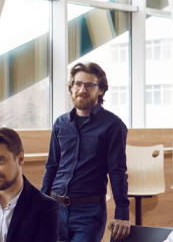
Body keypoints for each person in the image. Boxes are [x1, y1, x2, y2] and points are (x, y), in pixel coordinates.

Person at [41, 62, 132, 241]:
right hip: (55, 209)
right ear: (71, 88)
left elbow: (117, 172)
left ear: (101, 90)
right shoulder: (60, 124)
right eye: (78, 84)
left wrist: (122, 213)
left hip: (89, 213)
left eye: (89, 85)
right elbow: (52, 165)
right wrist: (41, 202)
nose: (82, 89)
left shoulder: (113, 126)